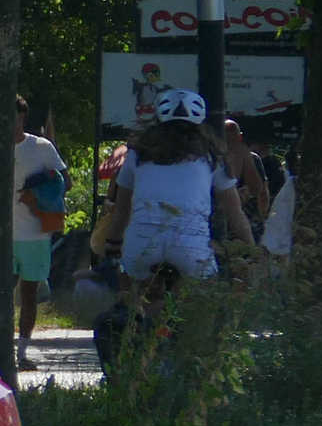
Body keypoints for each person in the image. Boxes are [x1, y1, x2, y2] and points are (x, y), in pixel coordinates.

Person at [89, 88, 254, 295]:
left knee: (133, 296)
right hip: (191, 242)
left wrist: (113, 245)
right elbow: (234, 212)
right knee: (203, 303)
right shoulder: (212, 156)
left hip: (142, 239)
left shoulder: (138, 153)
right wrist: (250, 249)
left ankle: (136, 319)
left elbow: (123, 209)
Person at [11, 97, 67, 371]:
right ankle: (0, 348)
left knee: (29, 292)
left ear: (23, 116)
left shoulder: (41, 147)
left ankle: (22, 353)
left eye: (14, 114)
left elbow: (63, 181)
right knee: (0, 290)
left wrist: (39, 193)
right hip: (1, 234)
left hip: (34, 232)